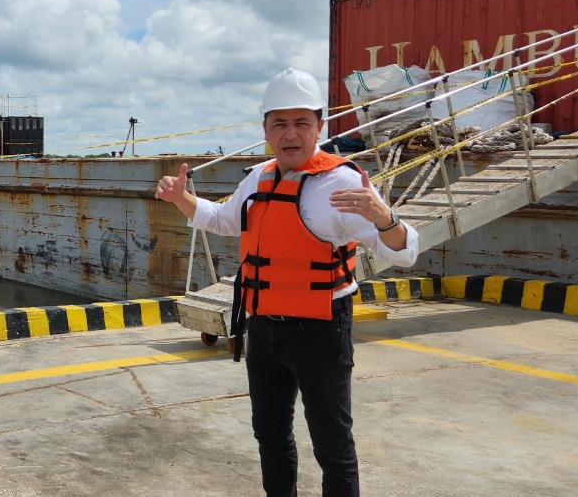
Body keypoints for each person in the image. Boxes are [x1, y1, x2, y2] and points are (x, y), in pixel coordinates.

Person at [155, 68, 419, 496]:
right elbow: (223, 219)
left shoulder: (344, 183)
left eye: (301, 123)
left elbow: (404, 252)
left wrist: (385, 218)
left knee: (332, 446)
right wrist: (180, 197)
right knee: (271, 436)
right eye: (280, 123)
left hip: (320, 330)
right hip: (262, 328)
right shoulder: (257, 177)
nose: (290, 134)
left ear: (319, 127)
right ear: (265, 128)